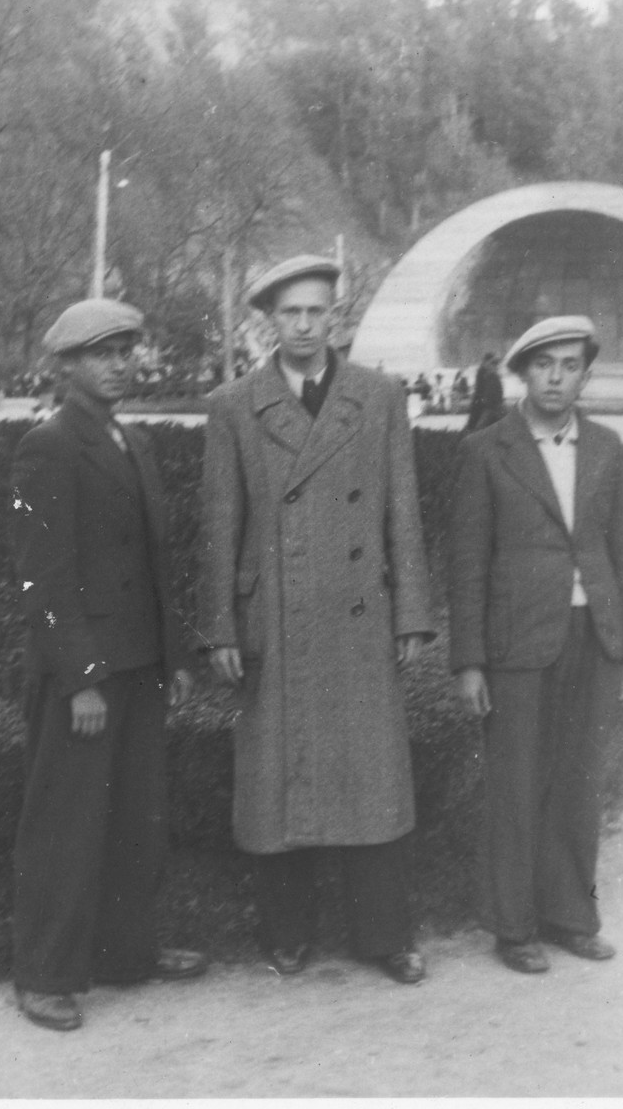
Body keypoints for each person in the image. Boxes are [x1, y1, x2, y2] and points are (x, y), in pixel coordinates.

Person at [201, 255, 435, 984]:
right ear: (267, 322)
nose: (304, 326)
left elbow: (402, 513)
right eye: (289, 314)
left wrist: (412, 615)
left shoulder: (380, 396)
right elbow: (218, 525)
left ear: (337, 316)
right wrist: (219, 626)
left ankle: (384, 936)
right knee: (280, 779)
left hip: (360, 614)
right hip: (274, 613)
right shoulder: (233, 405)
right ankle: (288, 933)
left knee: (371, 776)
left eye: (317, 312)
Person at [10, 298, 208, 1032]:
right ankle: (44, 976)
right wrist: (81, 678)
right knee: (64, 825)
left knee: (135, 820)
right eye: (102, 352)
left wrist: (175, 656)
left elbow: (153, 562)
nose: (121, 362)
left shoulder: (132, 440)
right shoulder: (49, 445)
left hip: (140, 666)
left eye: (127, 348)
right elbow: (42, 577)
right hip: (83, 678)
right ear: (65, 367)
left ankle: (126, 955)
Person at [447, 316, 623, 974]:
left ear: (584, 374)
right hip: (514, 641)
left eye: (569, 365)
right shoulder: (486, 450)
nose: (557, 377)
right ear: (521, 372)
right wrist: (469, 661)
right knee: (515, 783)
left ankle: (570, 915)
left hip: (587, 635)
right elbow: (467, 562)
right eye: (544, 365)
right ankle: (513, 927)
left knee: (576, 779)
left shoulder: (604, 446)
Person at [466, 352, 504, 432]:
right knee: (479, 427)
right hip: (486, 405)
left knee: (480, 428)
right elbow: (480, 390)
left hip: (490, 406)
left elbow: (497, 393)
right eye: (493, 363)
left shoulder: (492, 375)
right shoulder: (484, 373)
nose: (495, 366)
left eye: (495, 364)